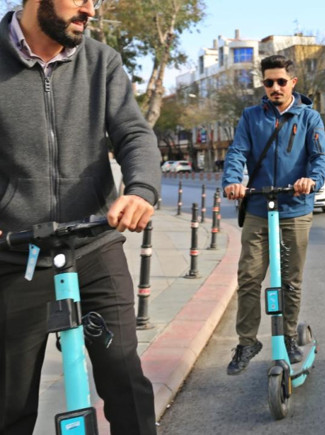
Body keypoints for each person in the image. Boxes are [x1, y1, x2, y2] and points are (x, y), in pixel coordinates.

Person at [0, 1, 160, 434]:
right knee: (8, 404)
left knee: (127, 383)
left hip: (94, 246)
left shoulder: (101, 60)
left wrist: (141, 190)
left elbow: (133, 133)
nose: (90, 8)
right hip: (16, 254)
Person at [222, 55, 325, 375]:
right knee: (249, 277)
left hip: (295, 208)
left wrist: (311, 180)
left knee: (290, 281)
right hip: (257, 208)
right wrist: (232, 181)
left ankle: (287, 336)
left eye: (281, 81)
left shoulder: (310, 118)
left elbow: (320, 158)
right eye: (268, 82)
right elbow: (237, 152)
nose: (275, 87)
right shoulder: (251, 117)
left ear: (293, 83)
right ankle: (247, 341)